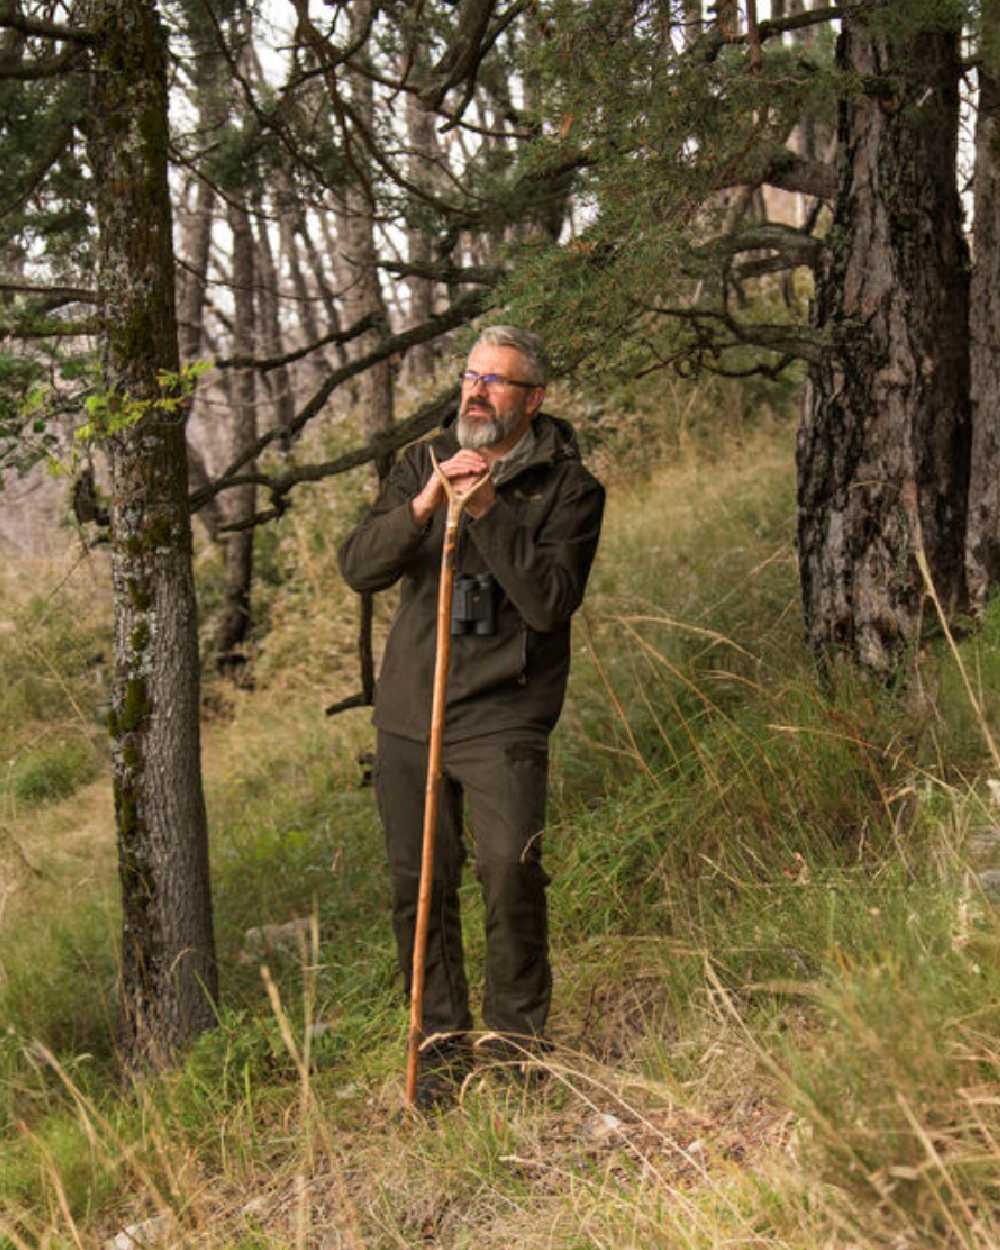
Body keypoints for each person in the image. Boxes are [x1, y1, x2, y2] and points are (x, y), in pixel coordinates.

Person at [337, 325, 605, 1106]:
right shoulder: (420, 462)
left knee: (508, 873)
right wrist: (424, 504)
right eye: (470, 376)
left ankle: (519, 1055)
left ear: (532, 399)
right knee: (417, 885)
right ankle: (442, 1057)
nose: (476, 391)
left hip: (503, 714)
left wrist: (488, 508)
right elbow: (358, 566)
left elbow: (550, 603)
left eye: (496, 382)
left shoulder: (569, 487)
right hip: (411, 713)